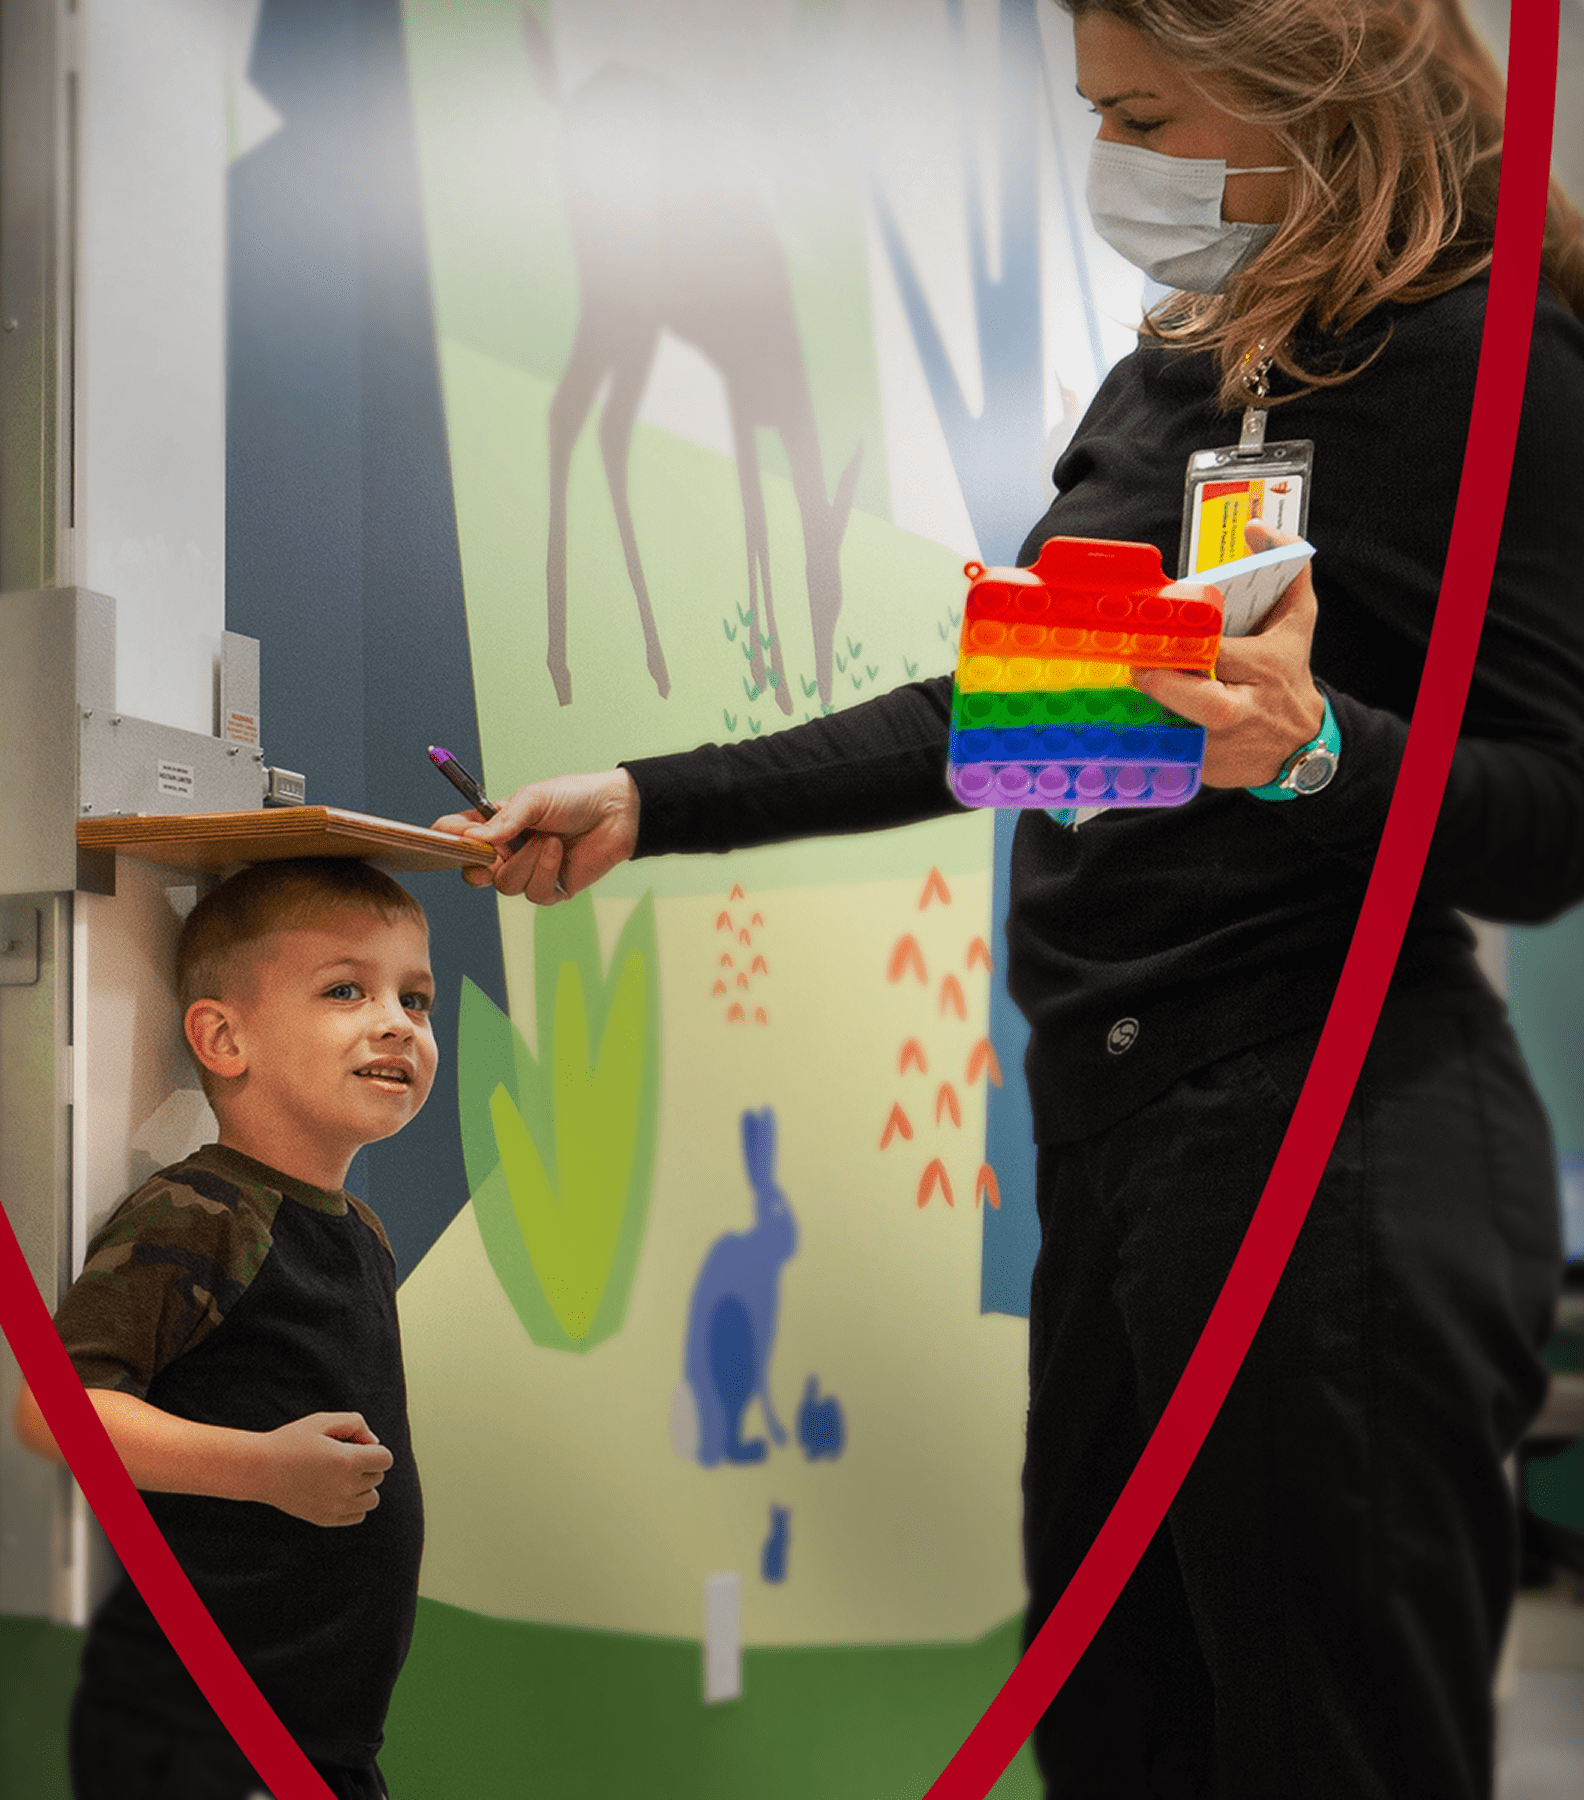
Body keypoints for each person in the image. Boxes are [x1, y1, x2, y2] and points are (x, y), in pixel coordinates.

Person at [434, 2, 1584, 1794]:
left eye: (1141, 109)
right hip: (1122, 1132)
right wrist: (655, 801)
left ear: (1307, 92)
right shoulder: (1174, 374)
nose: (1112, 157)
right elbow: (1009, 709)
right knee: (1123, 1741)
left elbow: (1548, 821)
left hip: (1328, 1136)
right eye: (1093, 111)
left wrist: (1311, 749)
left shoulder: (1474, 363)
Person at [13, 857, 437, 1800]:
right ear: (222, 1038)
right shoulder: (200, 1213)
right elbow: (59, 1411)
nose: (397, 1023)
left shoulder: (357, 1230)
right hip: (212, 1732)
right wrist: (266, 1470)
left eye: (417, 999)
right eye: (345, 989)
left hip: (321, 1735)